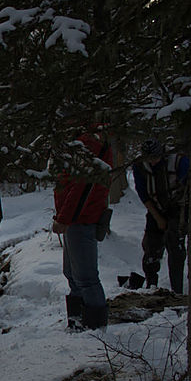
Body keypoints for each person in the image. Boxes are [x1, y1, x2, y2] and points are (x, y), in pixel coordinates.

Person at [53, 126, 113, 331]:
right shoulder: (80, 143)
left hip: (81, 219)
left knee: (86, 278)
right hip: (75, 220)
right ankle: (78, 323)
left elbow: (82, 187)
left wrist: (64, 218)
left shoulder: (88, 144)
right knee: (72, 274)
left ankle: (95, 330)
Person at [132, 139, 189, 294]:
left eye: (155, 157)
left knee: (175, 245)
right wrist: (158, 218)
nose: (153, 161)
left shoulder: (178, 161)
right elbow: (144, 194)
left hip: (178, 206)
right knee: (151, 246)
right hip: (155, 207)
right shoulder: (140, 167)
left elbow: (188, 186)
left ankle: (177, 290)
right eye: (149, 158)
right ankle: (151, 287)